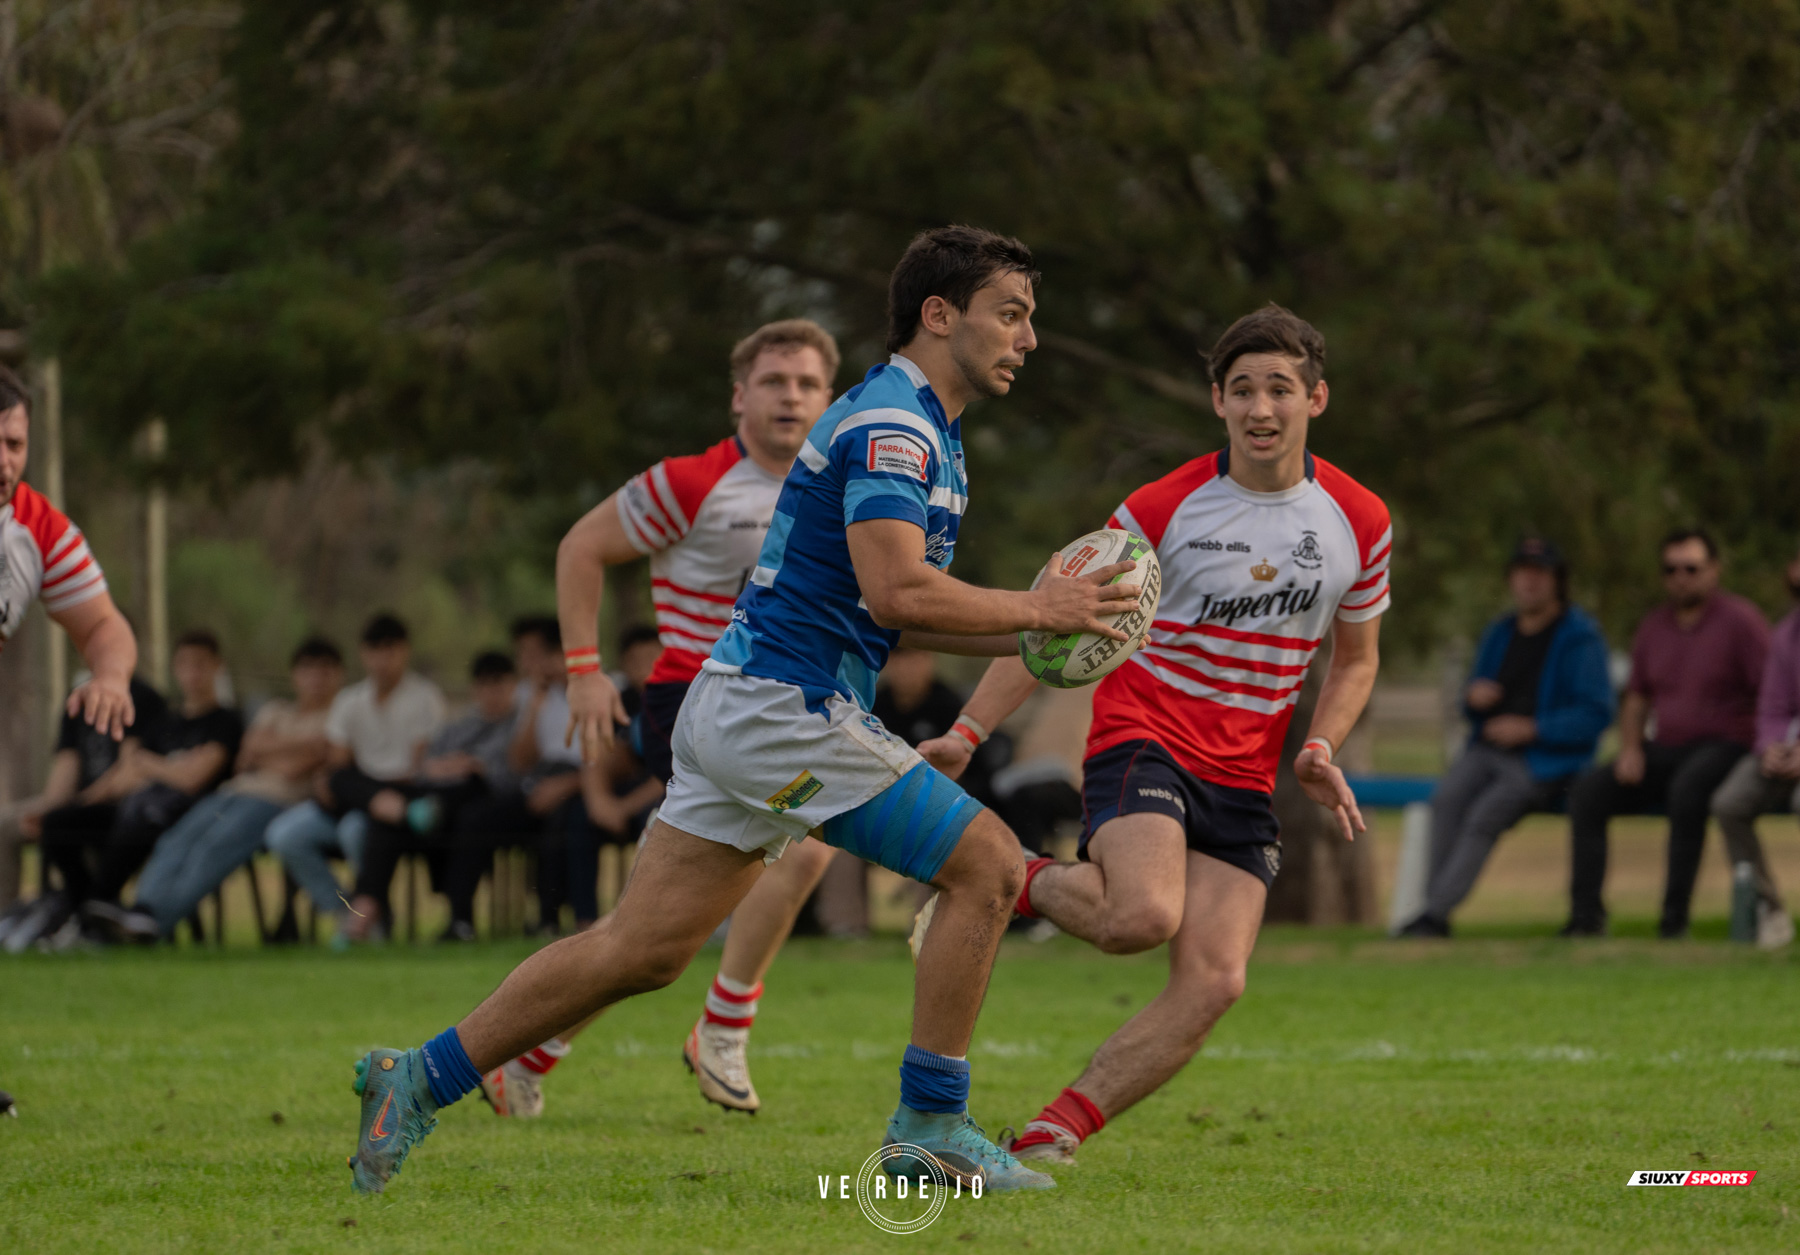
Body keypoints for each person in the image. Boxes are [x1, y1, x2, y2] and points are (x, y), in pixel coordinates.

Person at [348, 225, 1136, 1195]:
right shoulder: (896, 426)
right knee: (987, 867)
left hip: (743, 705)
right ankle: (929, 1127)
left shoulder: (925, 429)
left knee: (640, 950)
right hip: (779, 708)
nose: (1029, 338)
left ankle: (415, 1077)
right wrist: (1039, 608)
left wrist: (1043, 635)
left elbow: (901, 606)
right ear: (940, 314)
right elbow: (899, 593)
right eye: (1011, 314)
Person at [916, 304, 1389, 1168]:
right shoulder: (1163, 506)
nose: (1261, 407)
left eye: (1280, 388)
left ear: (1315, 398)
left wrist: (1320, 745)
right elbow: (1051, 622)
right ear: (1217, 399)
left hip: (1246, 775)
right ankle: (1009, 878)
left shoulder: (1359, 519)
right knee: (1140, 916)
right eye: (1241, 388)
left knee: (1216, 978)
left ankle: (1055, 1129)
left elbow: (1356, 657)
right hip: (1148, 737)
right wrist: (968, 730)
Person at [479, 320, 844, 1119]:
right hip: (694, 702)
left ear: (829, 399)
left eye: (808, 383)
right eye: (775, 380)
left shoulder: (839, 491)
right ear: (739, 395)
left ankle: (524, 1054)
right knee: (814, 841)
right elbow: (581, 547)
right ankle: (723, 1026)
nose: (791, 396)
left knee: (653, 934)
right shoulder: (693, 482)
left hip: (784, 709)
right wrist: (582, 674)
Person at [1397, 538, 1612, 937]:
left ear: (1557, 581)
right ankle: (1431, 911)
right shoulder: (1501, 632)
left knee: (1486, 814)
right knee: (1446, 800)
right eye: (1522, 572)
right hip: (1486, 749)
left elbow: (1597, 713)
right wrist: (1473, 697)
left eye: (1539, 573)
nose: (1529, 582)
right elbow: (1471, 703)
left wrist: (1534, 728)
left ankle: (1435, 915)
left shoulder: (1580, 637)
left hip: (1545, 761)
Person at [1564, 529, 1768, 938]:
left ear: (1714, 570)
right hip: (1666, 747)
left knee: (1688, 790)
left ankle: (1674, 920)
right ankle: (1585, 918)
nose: (1680, 577)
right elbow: (1637, 698)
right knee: (1588, 793)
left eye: (1691, 568)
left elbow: (1770, 691)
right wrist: (1630, 749)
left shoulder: (1741, 621)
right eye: (1671, 569)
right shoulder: (1654, 626)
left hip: (1726, 745)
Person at [98, 638, 345, 941]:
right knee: (177, 841)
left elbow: (297, 767)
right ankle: (141, 910)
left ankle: (154, 924)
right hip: (235, 792)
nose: (316, 679)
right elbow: (245, 757)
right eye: (308, 670)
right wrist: (294, 749)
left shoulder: (339, 718)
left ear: (338, 675)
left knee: (214, 848)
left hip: (278, 803)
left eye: (325, 671)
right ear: (295, 675)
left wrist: (269, 751)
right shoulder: (277, 710)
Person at [40, 629, 244, 945]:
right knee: (60, 823)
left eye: (201, 664)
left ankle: (98, 910)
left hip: (187, 816)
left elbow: (193, 779)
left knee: (143, 815)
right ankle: (89, 915)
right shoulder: (165, 721)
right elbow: (128, 772)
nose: (192, 673)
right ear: (175, 667)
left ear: (218, 666)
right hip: (138, 806)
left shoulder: (226, 720)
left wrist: (150, 765)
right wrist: (83, 802)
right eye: (185, 664)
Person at [266, 614, 445, 943]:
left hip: (400, 797)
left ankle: (372, 919)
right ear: (363, 654)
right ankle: (345, 913)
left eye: (390, 650)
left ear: (405, 651)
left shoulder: (424, 698)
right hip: (358, 796)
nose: (382, 660)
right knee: (284, 835)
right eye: (375, 651)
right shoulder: (350, 700)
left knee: (354, 830)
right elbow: (338, 764)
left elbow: (419, 767)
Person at [339, 650, 521, 943]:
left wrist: (466, 766)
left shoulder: (521, 724)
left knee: (466, 799)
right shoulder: (462, 725)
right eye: (484, 685)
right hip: (436, 799)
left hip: (483, 803)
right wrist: (454, 766)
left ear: (513, 684)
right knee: (374, 804)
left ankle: (370, 907)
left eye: (499, 684)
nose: (491, 693)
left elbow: (501, 774)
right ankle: (368, 904)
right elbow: (426, 767)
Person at [0, 362, 138, 742]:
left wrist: (110, 678)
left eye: (14, 445)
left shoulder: (42, 531)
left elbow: (103, 626)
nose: (3, 462)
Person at [0, 675, 167, 947]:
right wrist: (47, 808)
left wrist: (74, 806)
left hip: (124, 805)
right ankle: (8, 919)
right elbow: (67, 766)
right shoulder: (77, 697)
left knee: (62, 825)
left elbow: (129, 771)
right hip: (81, 802)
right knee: (9, 823)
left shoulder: (142, 697)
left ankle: (86, 915)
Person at [1707, 541, 1800, 949]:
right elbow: (1773, 706)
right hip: (1785, 753)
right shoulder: (1787, 637)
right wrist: (1770, 746)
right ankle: (1769, 910)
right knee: (1730, 802)